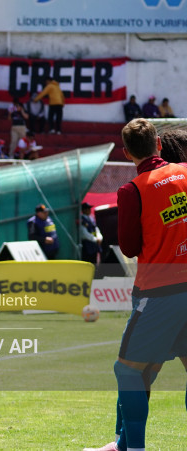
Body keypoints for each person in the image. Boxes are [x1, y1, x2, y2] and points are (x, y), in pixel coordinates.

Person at [83, 118, 187, 451]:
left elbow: (128, 247)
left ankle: (131, 448)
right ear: (159, 144)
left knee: (127, 370)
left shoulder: (132, 190)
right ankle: (123, 444)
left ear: (127, 154)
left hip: (160, 291)